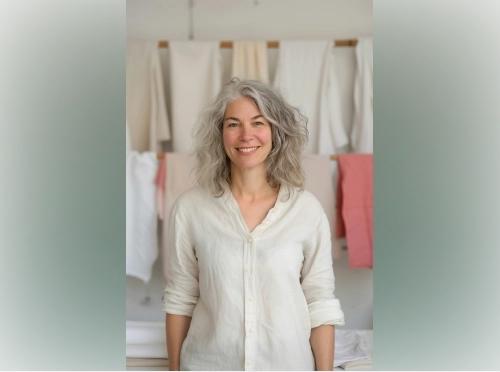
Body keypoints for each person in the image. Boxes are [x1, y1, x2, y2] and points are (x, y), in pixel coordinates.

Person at [163, 78, 344, 371]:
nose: (246, 135)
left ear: (276, 132)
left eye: (258, 123)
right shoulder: (190, 208)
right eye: (233, 124)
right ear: (220, 134)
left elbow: (320, 302)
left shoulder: (306, 209)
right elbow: (181, 298)